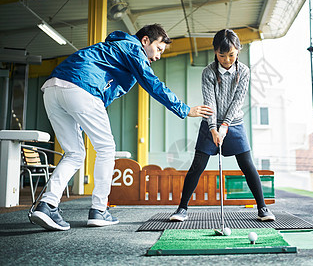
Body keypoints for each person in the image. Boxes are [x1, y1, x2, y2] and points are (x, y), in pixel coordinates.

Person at [30, 24, 213, 231]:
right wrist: (185, 109)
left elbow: (105, 92)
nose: (159, 56)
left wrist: (79, 117)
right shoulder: (133, 48)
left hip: (53, 88)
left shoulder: (114, 49)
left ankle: (47, 205)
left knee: (73, 153)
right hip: (81, 87)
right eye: (159, 49)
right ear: (145, 41)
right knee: (106, 149)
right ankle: (99, 210)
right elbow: (152, 84)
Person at [169, 29, 275, 222]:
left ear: (238, 51)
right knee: (197, 166)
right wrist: (213, 129)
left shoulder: (243, 71)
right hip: (210, 124)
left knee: (247, 165)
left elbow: (237, 101)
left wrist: (225, 126)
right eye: (222, 55)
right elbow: (210, 103)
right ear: (215, 52)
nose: (227, 60)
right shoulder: (208, 72)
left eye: (231, 55)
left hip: (234, 124)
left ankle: (263, 208)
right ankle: (182, 209)